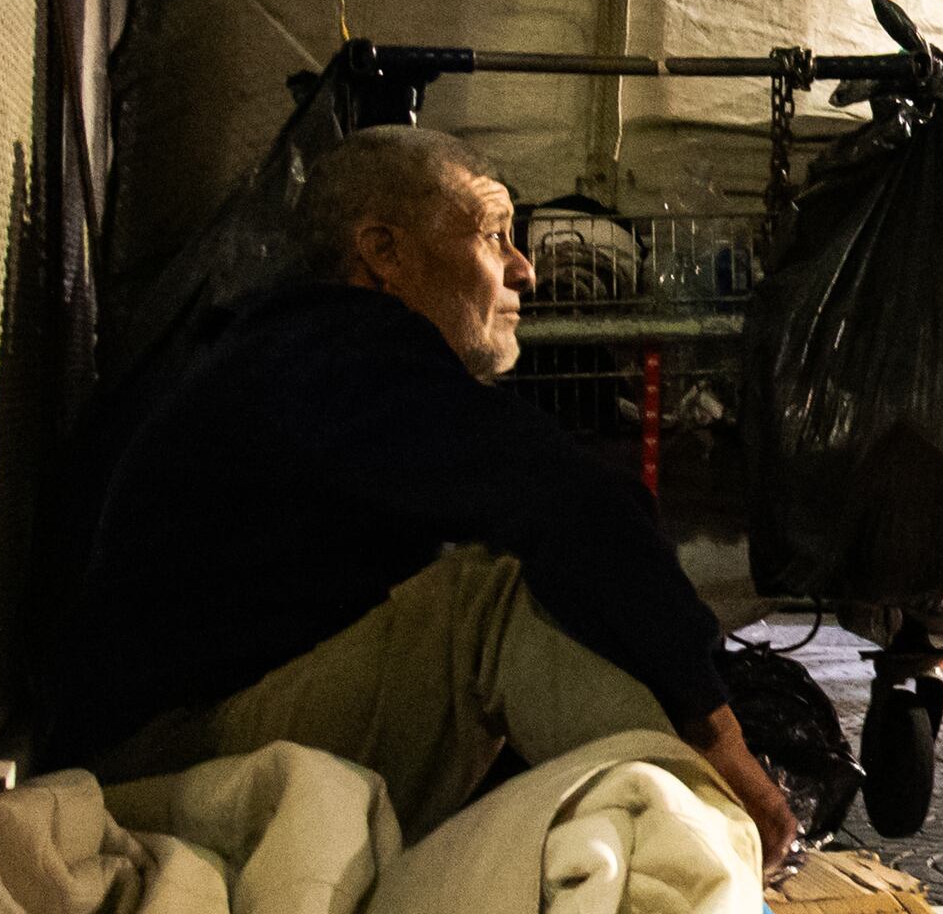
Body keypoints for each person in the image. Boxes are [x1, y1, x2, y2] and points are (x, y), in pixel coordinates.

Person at [51, 124, 801, 864]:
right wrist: (717, 732)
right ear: (385, 254)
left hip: (183, 745)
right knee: (486, 609)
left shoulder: (291, 348)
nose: (525, 270)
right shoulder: (335, 352)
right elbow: (571, 499)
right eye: (494, 235)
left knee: (555, 593)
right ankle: (711, 889)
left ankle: (660, 883)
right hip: (159, 772)